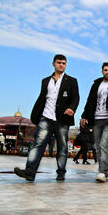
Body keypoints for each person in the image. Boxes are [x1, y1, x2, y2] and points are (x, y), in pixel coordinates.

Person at [14, 54, 80, 182]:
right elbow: (42, 99)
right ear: (53, 64)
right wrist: (36, 115)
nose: (61, 65)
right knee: (38, 145)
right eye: (59, 62)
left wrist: (72, 108)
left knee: (62, 147)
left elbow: (76, 97)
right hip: (46, 117)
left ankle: (61, 172)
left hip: (62, 119)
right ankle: (30, 172)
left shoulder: (72, 81)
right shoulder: (45, 81)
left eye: (64, 63)